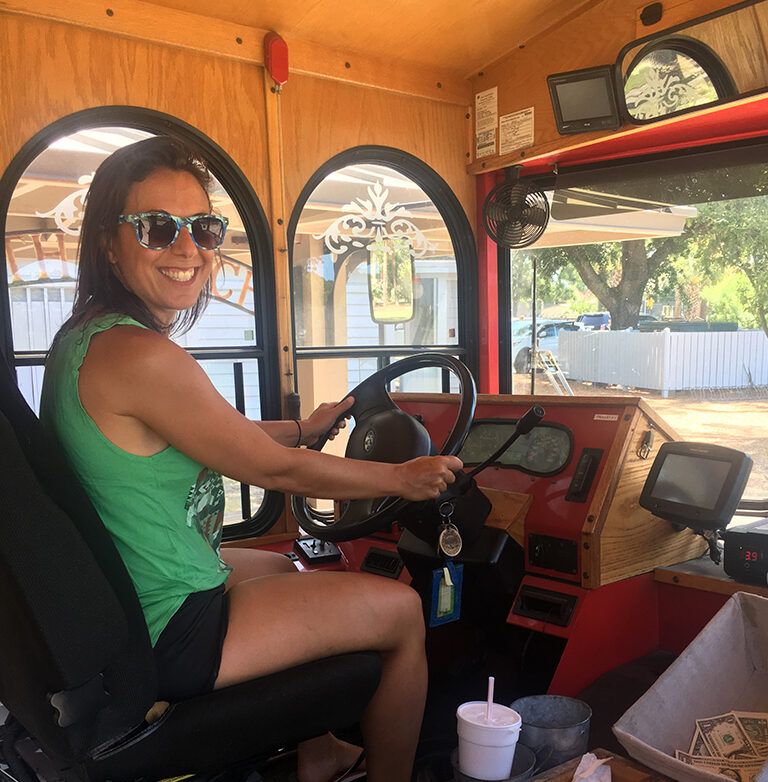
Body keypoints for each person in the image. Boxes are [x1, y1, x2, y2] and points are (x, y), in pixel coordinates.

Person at [40, 136, 463, 782]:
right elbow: (275, 474)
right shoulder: (143, 358)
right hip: (172, 627)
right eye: (157, 228)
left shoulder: (85, 340)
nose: (188, 249)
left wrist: (304, 426)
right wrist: (401, 479)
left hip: (133, 599)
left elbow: (216, 432)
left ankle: (319, 755)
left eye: (203, 229)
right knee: (404, 615)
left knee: (282, 565)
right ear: (108, 241)